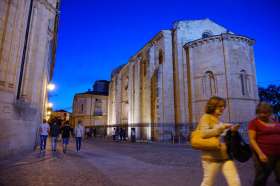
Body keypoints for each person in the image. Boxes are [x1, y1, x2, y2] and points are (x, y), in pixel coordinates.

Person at [199, 96, 241, 186]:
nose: (222, 108)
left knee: (235, 182)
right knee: (208, 183)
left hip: (225, 157)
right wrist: (222, 127)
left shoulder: (218, 120)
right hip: (211, 158)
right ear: (212, 106)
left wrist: (232, 131)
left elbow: (222, 137)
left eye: (223, 106)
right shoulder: (206, 117)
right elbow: (204, 133)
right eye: (219, 106)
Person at [248, 102, 280, 186]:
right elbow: (252, 139)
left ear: (270, 112)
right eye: (260, 112)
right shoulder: (254, 123)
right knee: (261, 177)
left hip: (278, 153)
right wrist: (260, 154)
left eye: (265, 112)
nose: (262, 114)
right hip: (264, 154)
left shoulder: (274, 121)